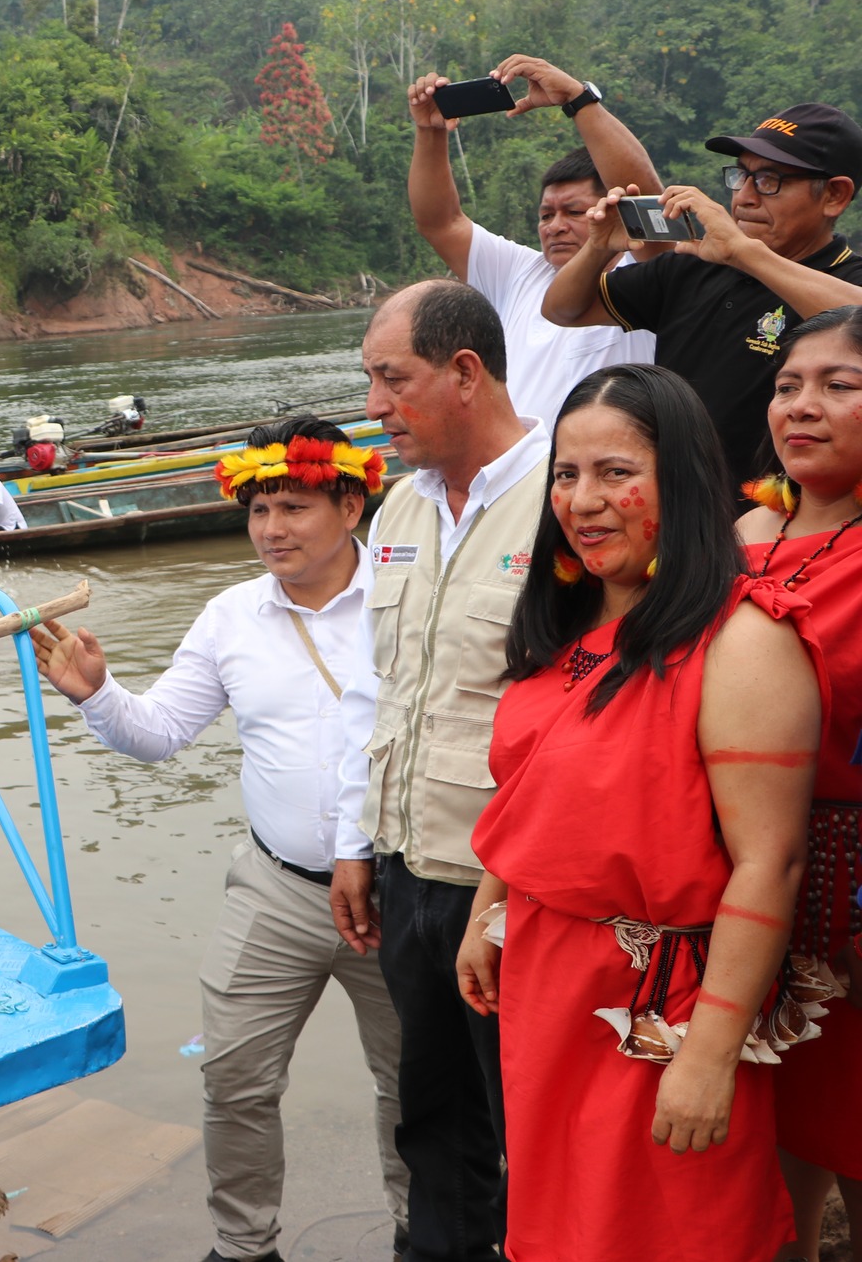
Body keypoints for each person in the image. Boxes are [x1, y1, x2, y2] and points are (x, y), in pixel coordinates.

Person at [462, 362, 818, 1258]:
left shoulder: (742, 641)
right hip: (547, 981)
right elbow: (537, 790)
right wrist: (487, 908)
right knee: (559, 1224)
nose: (584, 500)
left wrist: (708, 1052)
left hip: (659, 1004)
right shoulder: (568, 630)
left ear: (685, 480)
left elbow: (767, 861)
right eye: (567, 475)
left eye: (617, 472)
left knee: (673, 1226)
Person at [32, 417, 406, 1262]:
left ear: (351, 504)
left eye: (292, 506)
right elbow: (159, 732)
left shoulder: (404, 592)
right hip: (276, 889)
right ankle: (245, 1247)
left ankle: (425, 1232)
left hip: (399, 889)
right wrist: (98, 695)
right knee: (234, 1078)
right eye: (258, 509)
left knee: (414, 1082)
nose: (270, 528)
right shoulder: (231, 613)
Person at [328, 279, 548, 1262]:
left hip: (515, 884)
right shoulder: (395, 514)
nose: (372, 405)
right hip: (406, 872)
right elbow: (370, 695)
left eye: (389, 378)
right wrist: (351, 847)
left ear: (464, 373)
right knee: (431, 1120)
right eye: (368, 379)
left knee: (531, 1126)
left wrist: (516, 893)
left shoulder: (563, 496)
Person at [542, 101, 862, 489]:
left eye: (768, 181)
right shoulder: (694, 264)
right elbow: (562, 309)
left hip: (773, 522)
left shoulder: (846, 278)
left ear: (835, 196)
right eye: (740, 176)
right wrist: (598, 247)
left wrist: (745, 254)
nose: (744, 197)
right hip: (674, 516)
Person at [733, 307, 862, 1261]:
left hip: (849, 907)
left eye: (839, 386)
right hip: (740, 903)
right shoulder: (741, 537)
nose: (801, 406)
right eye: (786, 386)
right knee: (765, 1190)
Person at [406, 56, 659, 425]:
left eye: (573, 212)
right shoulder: (519, 273)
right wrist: (430, 131)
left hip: (600, 474)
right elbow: (440, 223)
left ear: (613, 209)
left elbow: (645, 202)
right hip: (517, 475)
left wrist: (577, 99)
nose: (554, 226)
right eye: (545, 215)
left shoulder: (645, 275)